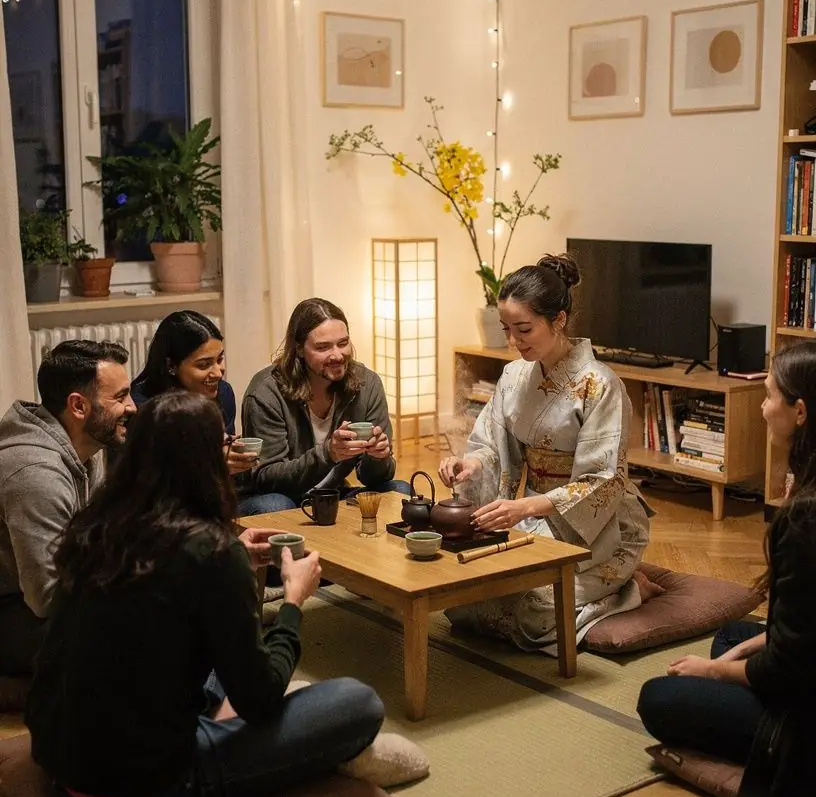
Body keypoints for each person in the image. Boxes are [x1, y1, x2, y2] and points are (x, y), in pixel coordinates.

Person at [25, 390, 386, 797]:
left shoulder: (96, 529)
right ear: (202, 462)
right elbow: (259, 700)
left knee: (212, 647)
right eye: (223, 444)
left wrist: (231, 555)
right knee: (357, 702)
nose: (231, 450)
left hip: (61, 765)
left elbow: (160, 596)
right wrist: (293, 601)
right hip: (148, 790)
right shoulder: (208, 552)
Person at [637, 343, 816, 797]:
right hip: (803, 668)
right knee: (732, 633)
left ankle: (760, 751)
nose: (762, 408)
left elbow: (788, 670)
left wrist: (714, 672)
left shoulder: (805, 521)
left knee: (660, 698)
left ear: (800, 412)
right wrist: (748, 644)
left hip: (803, 712)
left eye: (768, 397)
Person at [438, 254, 651, 650]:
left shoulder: (600, 385)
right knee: (463, 601)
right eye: (507, 330)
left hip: (599, 527)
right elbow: (492, 444)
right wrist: (467, 465)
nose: (515, 342)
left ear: (559, 320)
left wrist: (525, 508)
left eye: (524, 329)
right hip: (534, 515)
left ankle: (628, 589)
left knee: (531, 613)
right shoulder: (514, 374)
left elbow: (603, 480)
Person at [0, 339, 135, 677]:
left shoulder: (86, 447)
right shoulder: (35, 473)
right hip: (13, 611)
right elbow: (46, 598)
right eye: (119, 397)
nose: (132, 407)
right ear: (78, 406)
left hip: (39, 602)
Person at [240, 298, 409, 515]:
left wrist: (379, 458)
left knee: (399, 491)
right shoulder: (266, 392)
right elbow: (267, 479)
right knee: (275, 505)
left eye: (343, 343)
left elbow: (375, 478)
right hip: (275, 497)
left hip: (330, 493)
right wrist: (328, 454)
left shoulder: (367, 384)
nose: (337, 355)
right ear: (299, 349)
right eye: (323, 347)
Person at [132, 311, 255, 479]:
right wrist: (207, 464)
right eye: (204, 365)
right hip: (168, 499)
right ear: (171, 366)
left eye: (219, 359)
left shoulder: (223, 393)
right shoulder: (141, 408)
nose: (218, 373)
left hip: (218, 493)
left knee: (272, 502)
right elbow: (147, 482)